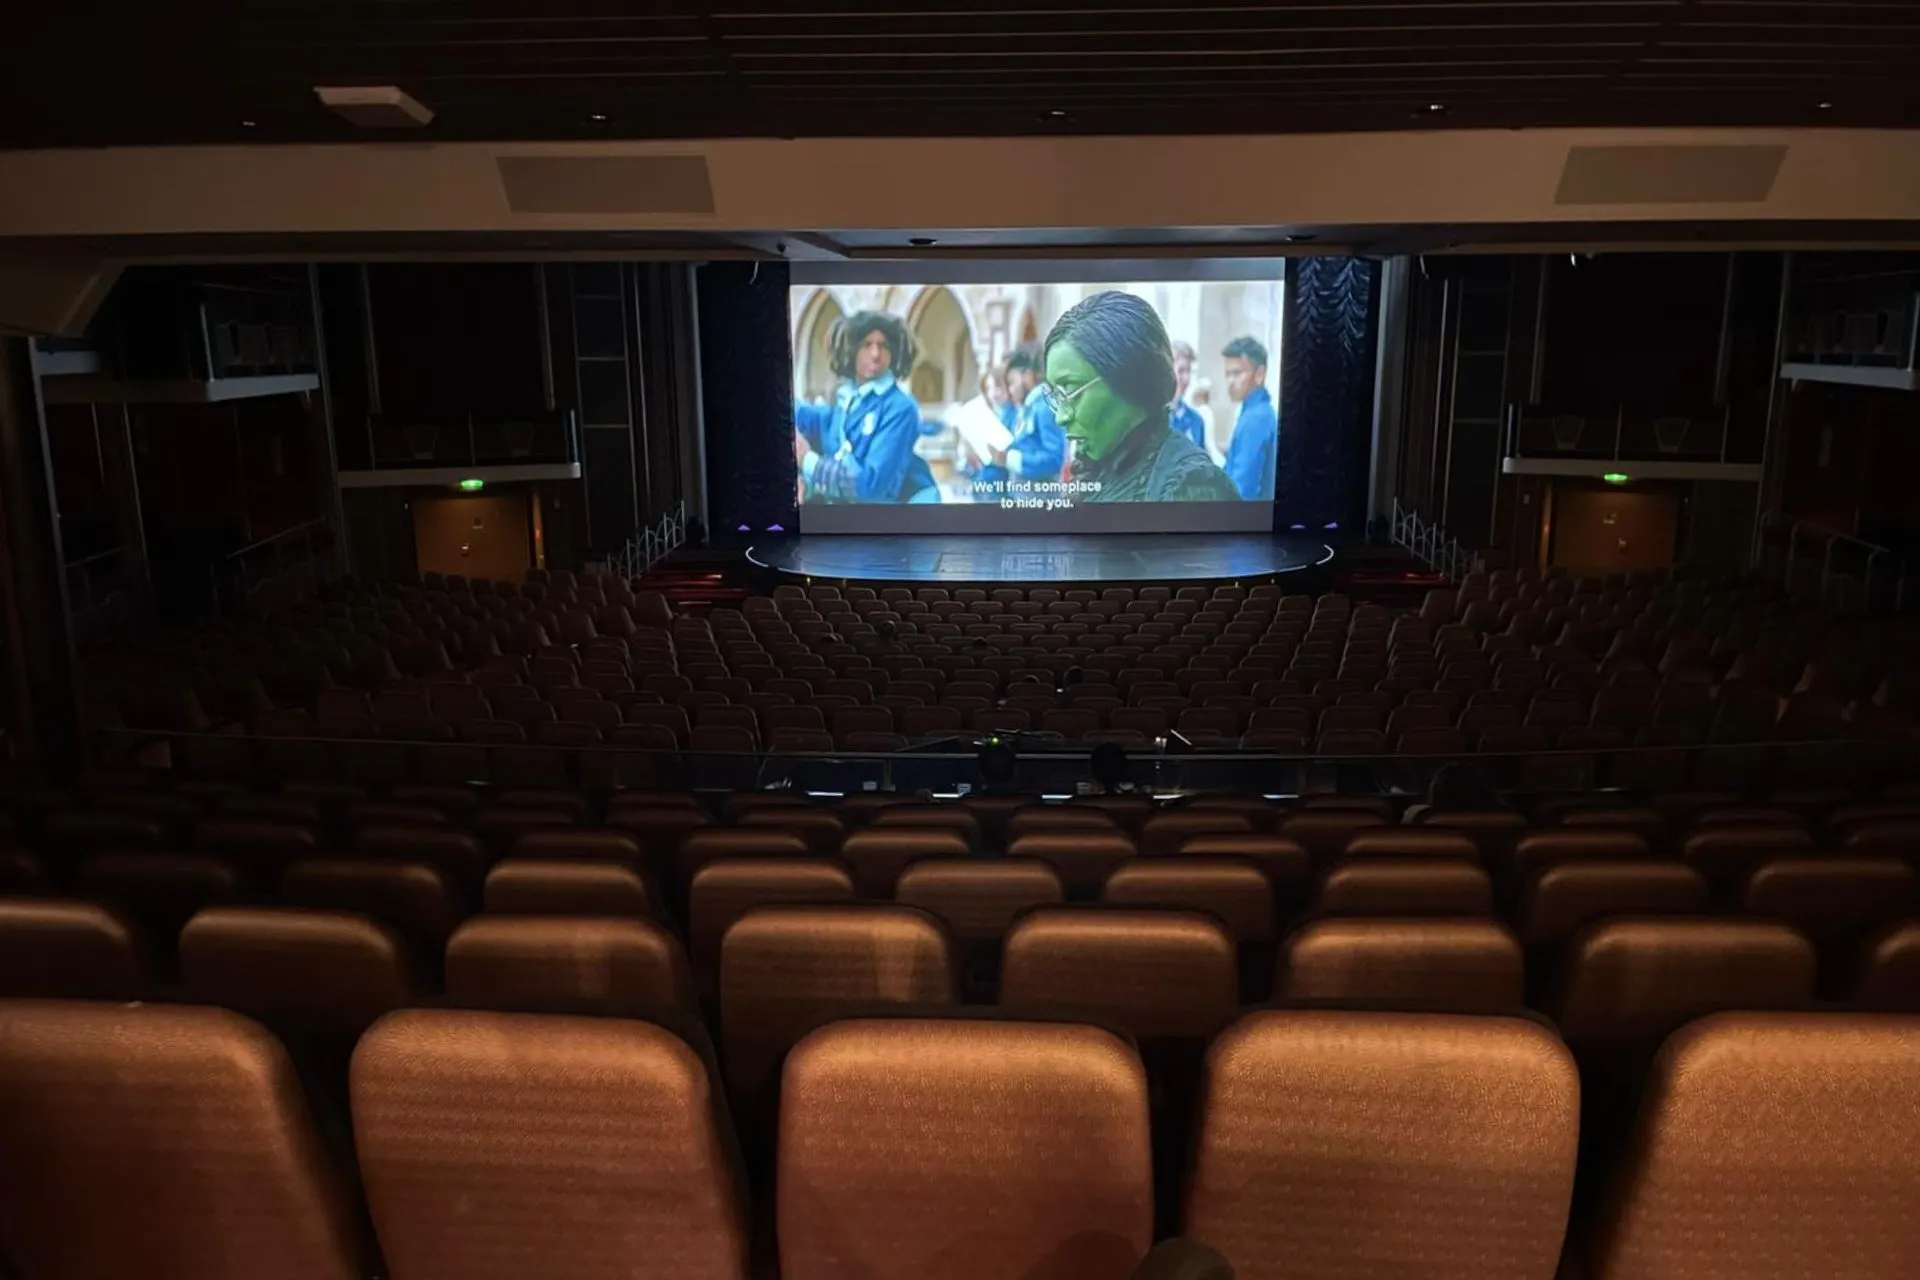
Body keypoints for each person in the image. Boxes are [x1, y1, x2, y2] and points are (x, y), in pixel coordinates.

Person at [1041, 292, 1240, 503]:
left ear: (1127, 380)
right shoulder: (1098, 466)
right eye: (1056, 396)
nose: (1060, 418)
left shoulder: (1190, 486)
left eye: (1070, 392)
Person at [793, 311, 938, 504]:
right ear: (852, 350)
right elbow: (802, 415)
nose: (876, 354)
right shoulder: (845, 400)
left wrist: (808, 461)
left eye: (883, 346)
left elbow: (871, 488)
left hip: (883, 527)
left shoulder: (901, 408)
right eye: (866, 345)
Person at [1220, 336, 1277, 502]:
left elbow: (1242, 491)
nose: (1230, 381)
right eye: (1227, 374)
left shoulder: (1256, 418)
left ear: (1259, 374)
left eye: (1237, 373)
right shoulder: (1256, 412)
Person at [1168, 341, 1207, 451]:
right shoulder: (1153, 419)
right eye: (1181, 371)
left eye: (1188, 371)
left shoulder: (1196, 421)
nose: (1186, 379)